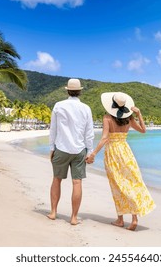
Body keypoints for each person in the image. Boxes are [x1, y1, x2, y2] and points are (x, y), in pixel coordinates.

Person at [86, 92, 155, 231]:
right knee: (131, 182)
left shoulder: (107, 118)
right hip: (126, 152)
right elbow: (143, 130)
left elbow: (105, 138)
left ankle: (120, 219)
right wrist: (139, 114)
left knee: (117, 185)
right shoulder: (129, 118)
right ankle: (134, 218)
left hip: (113, 153)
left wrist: (93, 154)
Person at [47, 78, 95, 225]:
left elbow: (53, 129)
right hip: (79, 150)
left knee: (57, 179)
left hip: (61, 148)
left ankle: (54, 212)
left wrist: (51, 148)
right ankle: (74, 217)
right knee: (77, 182)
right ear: (80, 91)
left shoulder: (58, 105)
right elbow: (89, 132)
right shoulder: (86, 108)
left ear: (67, 90)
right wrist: (90, 151)